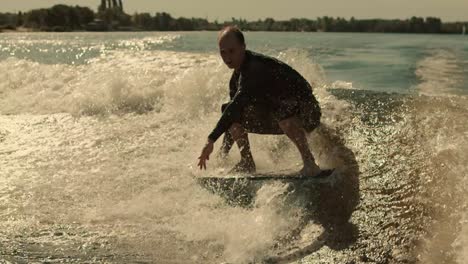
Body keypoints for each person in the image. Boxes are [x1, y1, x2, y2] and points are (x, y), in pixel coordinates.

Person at [197, 26, 323, 177]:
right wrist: (222, 155)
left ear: (243, 47)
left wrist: (210, 140)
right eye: (223, 52)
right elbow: (232, 115)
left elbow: (237, 105)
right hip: (282, 118)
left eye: (232, 51)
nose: (227, 57)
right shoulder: (236, 79)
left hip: (308, 113)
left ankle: (310, 163)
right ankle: (247, 162)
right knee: (228, 109)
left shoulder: (254, 68)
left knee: (281, 111)